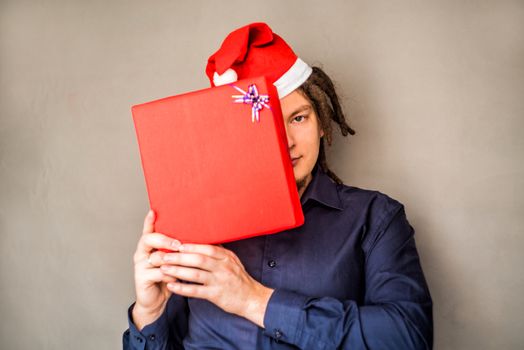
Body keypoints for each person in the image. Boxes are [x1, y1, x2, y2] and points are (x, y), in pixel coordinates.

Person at [123, 22, 433, 349]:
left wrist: (255, 301)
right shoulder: (193, 224)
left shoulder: (375, 217)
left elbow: (409, 338)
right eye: (267, 122)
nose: (285, 141)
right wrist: (149, 311)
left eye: (298, 118)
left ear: (322, 124)